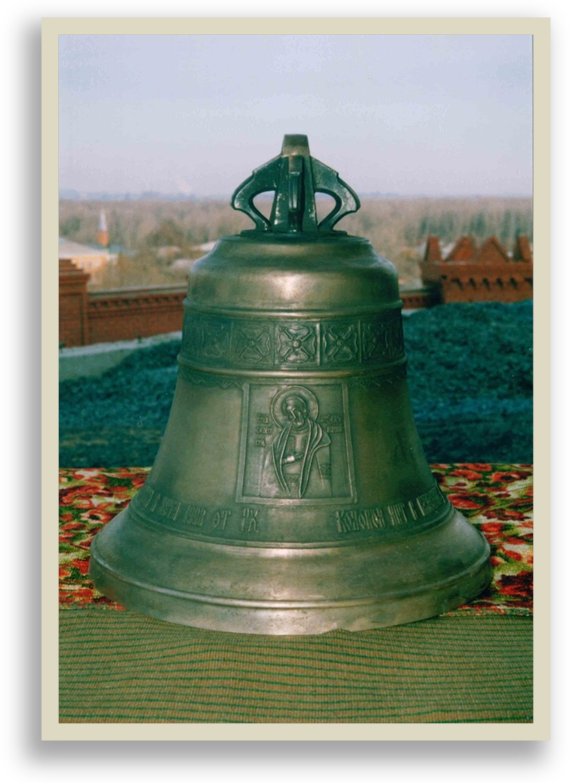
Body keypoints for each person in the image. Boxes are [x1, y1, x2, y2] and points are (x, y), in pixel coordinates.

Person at [262, 392, 331, 499]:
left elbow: (325, 470)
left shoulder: (319, 436)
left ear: (305, 411)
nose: (294, 417)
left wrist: (325, 489)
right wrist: (289, 460)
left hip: (312, 487)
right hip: (283, 486)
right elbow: (271, 464)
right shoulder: (280, 439)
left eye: (296, 412)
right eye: (290, 414)